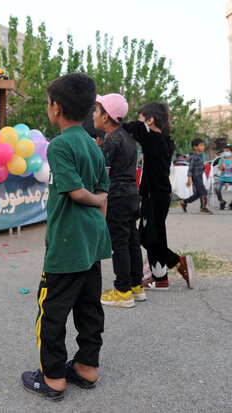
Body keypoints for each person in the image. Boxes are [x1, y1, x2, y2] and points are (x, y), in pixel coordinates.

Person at [21, 73, 111, 401]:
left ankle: (53, 377)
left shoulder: (59, 145)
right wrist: (98, 212)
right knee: (89, 305)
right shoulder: (92, 144)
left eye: (48, 104)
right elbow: (104, 189)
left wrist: (95, 199)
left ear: (55, 108)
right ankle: (87, 367)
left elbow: (77, 193)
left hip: (66, 243)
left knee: (52, 309)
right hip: (91, 241)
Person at [123, 102, 195, 290]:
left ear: (150, 120)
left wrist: (114, 120)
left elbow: (133, 127)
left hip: (154, 194)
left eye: (141, 117)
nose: (138, 122)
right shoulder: (165, 140)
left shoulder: (152, 136)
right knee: (149, 236)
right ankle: (161, 275)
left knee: (151, 237)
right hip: (156, 193)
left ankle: (173, 267)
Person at [94, 93, 145, 308]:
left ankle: (122, 291)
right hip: (132, 195)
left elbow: (103, 175)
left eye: (96, 111)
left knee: (120, 243)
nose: (93, 115)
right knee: (131, 239)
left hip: (117, 196)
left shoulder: (111, 140)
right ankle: (136, 285)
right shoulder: (126, 137)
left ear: (106, 117)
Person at [180, 138, 212, 214]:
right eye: (201, 145)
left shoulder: (200, 155)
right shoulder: (194, 157)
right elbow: (190, 169)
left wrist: (203, 168)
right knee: (203, 192)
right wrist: (189, 179)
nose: (203, 147)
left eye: (203, 145)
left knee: (199, 193)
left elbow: (201, 165)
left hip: (200, 176)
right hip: (196, 177)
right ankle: (203, 208)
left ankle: (184, 202)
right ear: (195, 147)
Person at [214, 145, 232, 210]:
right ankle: (221, 201)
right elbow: (220, 168)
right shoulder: (221, 159)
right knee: (217, 188)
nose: (225, 152)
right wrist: (222, 160)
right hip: (222, 178)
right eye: (224, 151)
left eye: (227, 151)